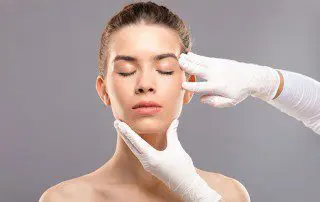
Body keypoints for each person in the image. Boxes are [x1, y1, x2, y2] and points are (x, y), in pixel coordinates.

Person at [39, 1, 250, 202]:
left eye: (164, 69)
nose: (145, 84)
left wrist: (197, 192)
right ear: (104, 91)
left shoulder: (229, 194)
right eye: (126, 71)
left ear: (189, 87)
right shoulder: (64, 199)